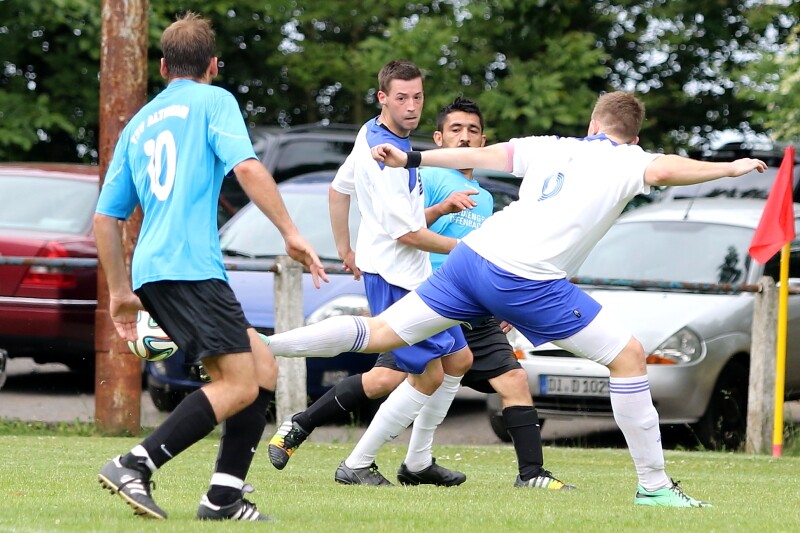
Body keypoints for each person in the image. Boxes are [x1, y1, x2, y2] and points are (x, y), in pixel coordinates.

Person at [266, 91, 768, 507]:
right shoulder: (631, 159)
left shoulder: (551, 146)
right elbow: (667, 170)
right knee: (629, 357)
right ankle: (654, 486)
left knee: (380, 334)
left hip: (472, 259)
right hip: (525, 280)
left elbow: (484, 157)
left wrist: (411, 156)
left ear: (592, 124)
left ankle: (265, 345)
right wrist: (727, 168)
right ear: (634, 137)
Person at [268, 96, 574, 491]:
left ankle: (516, 472)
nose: (465, 138)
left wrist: (501, 300)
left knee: (503, 377)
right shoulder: (425, 176)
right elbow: (404, 230)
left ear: (484, 142)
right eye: (455, 130)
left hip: (473, 304)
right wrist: (441, 209)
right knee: (387, 378)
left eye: (473, 131)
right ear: (438, 139)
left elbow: (483, 252)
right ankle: (309, 427)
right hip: (429, 298)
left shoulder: (482, 196)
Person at [93, 12, 326, 521]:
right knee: (239, 384)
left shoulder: (138, 124)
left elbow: (105, 219)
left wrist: (119, 292)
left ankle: (222, 498)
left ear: (163, 67)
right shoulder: (214, 101)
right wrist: (290, 232)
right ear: (213, 65)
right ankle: (134, 464)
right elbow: (247, 166)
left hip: (153, 269)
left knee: (261, 367)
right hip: (190, 266)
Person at [272, 59, 472, 486]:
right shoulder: (384, 158)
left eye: (417, 97)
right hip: (396, 278)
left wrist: (346, 247)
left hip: (413, 273)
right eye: (401, 98)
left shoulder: (374, 134)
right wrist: (470, 250)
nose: (411, 106)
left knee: (457, 358)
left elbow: (338, 190)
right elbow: (409, 234)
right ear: (383, 97)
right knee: (423, 374)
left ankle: (417, 462)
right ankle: (357, 463)